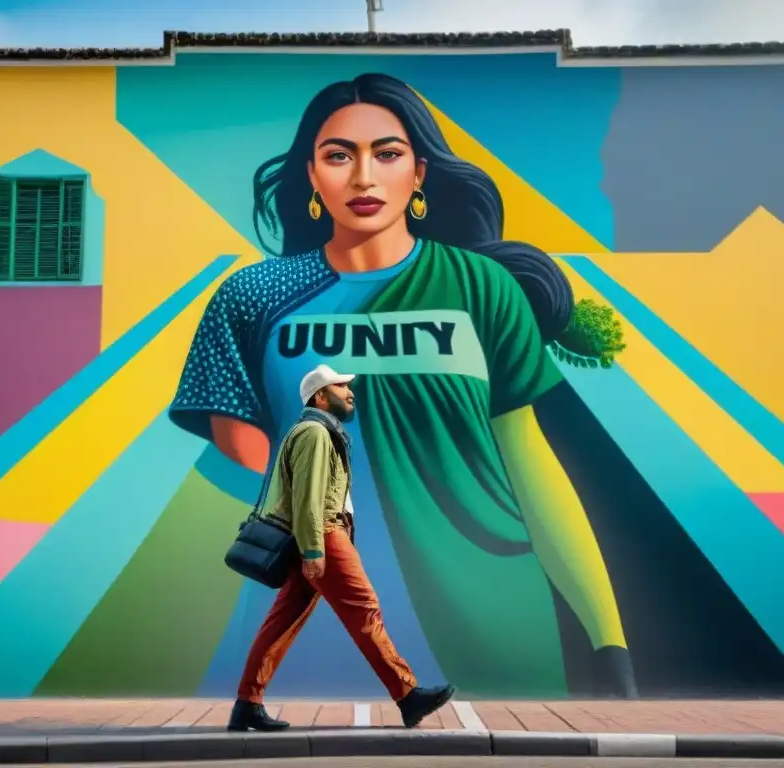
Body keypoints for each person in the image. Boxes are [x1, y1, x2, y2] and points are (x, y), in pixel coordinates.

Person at [170, 73, 636, 698]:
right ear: (310, 174)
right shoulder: (252, 296)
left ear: (418, 173)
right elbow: (239, 439)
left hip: (495, 605)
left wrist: (607, 638)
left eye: (386, 154)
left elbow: (531, 466)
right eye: (339, 155)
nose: (364, 177)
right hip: (314, 588)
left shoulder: (483, 287)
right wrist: (320, 524)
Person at [227, 363, 455, 732]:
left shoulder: (319, 432)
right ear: (321, 396)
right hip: (322, 535)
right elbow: (308, 500)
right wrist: (315, 551)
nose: (351, 393)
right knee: (365, 610)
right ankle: (408, 696)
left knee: (281, 622)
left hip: (320, 535)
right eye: (342, 387)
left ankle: (247, 705)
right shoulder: (315, 433)